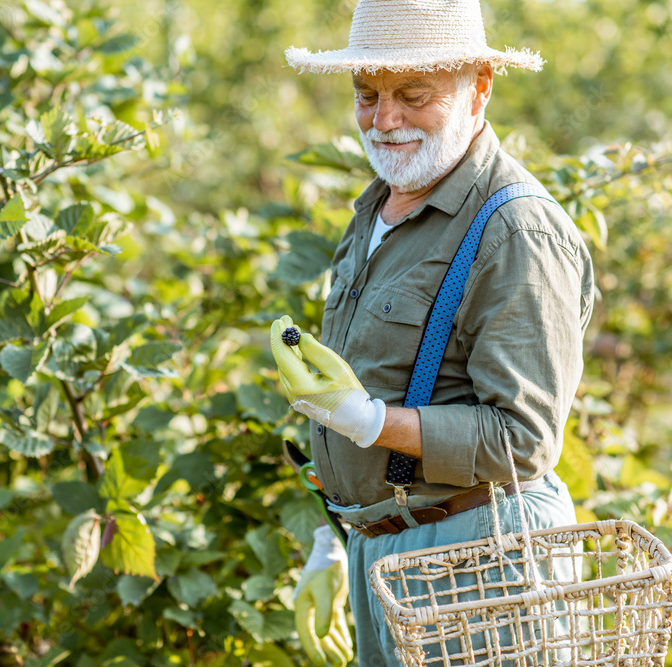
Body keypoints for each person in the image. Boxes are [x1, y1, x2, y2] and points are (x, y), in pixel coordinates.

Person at [269, 1, 596, 665]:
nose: (384, 119)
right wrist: (337, 537)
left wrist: (369, 422)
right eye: (367, 95)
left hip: (480, 568)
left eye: (413, 94)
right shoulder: (377, 209)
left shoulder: (517, 231)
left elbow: (523, 440)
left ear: (479, 87)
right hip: (383, 559)